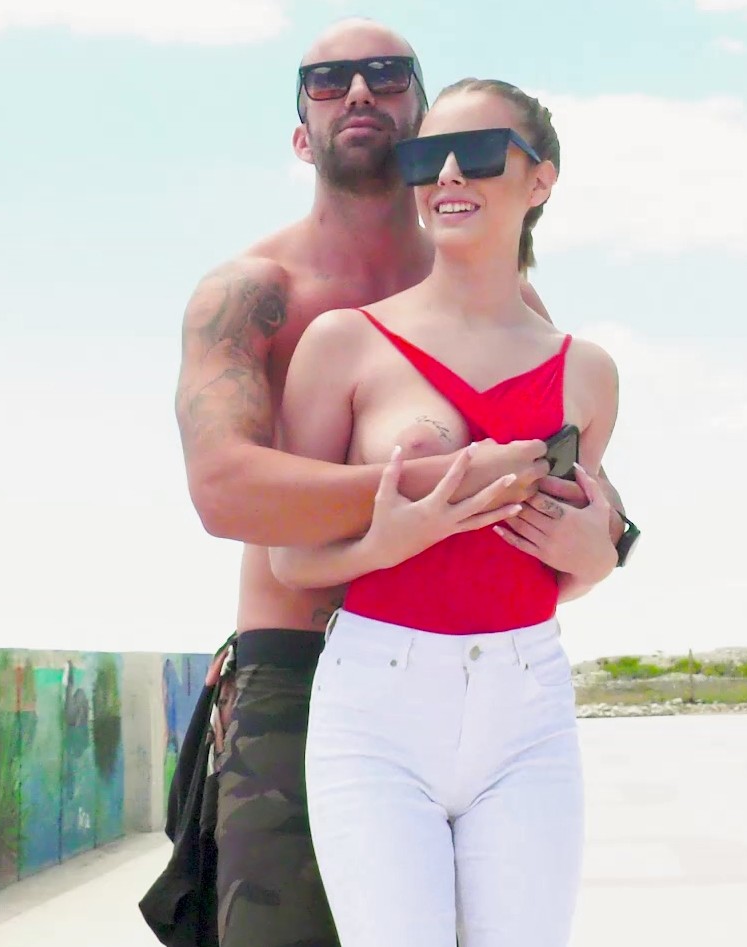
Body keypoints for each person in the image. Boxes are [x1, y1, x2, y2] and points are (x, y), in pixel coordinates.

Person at [140, 17, 641, 947]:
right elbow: (223, 488)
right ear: (301, 135)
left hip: (488, 675)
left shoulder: (504, 298)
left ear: (424, 125)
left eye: (385, 74)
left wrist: (608, 544)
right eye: (328, 82)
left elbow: (573, 482)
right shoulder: (256, 292)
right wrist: (449, 486)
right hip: (294, 669)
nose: (360, 92)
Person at [268, 78, 616, 947]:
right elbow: (289, 560)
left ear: (540, 179)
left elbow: (566, 551)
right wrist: (388, 541)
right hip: (376, 706)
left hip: (527, 703)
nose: (449, 173)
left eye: (483, 152)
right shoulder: (343, 342)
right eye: (427, 156)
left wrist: (597, 562)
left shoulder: (587, 372)